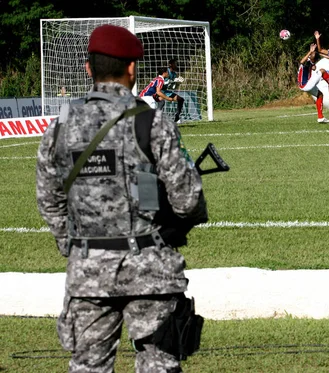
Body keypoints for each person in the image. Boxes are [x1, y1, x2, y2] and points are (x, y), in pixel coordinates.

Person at [36, 24, 207, 372]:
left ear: (88, 69)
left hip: (88, 271)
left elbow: (48, 198)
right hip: (150, 269)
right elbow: (188, 200)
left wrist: (72, 244)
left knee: (88, 366)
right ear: (132, 69)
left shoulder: (61, 125)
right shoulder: (152, 122)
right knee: (158, 365)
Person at [297, 43, 329, 123]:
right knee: (322, 71)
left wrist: (313, 65)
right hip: (306, 84)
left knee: (320, 95)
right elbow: (302, 61)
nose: (312, 54)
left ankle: (321, 117)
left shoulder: (311, 62)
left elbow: (313, 66)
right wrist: (310, 51)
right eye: (312, 54)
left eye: (313, 54)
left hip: (305, 85)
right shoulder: (307, 62)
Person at [163, 59, 186, 124]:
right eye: (174, 63)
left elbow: (171, 86)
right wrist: (173, 81)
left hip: (166, 91)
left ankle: (177, 117)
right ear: (170, 65)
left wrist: (178, 82)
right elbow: (161, 81)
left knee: (181, 99)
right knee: (161, 103)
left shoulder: (174, 74)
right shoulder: (165, 71)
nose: (176, 65)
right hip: (159, 90)